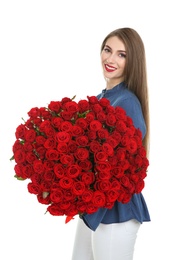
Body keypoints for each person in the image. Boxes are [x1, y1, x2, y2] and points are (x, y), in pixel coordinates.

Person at [71, 27, 150, 260]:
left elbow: (128, 164)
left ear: (132, 60)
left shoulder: (127, 102)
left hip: (118, 212)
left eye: (121, 54)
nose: (110, 58)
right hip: (94, 206)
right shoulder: (101, 98)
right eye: (108, 50)